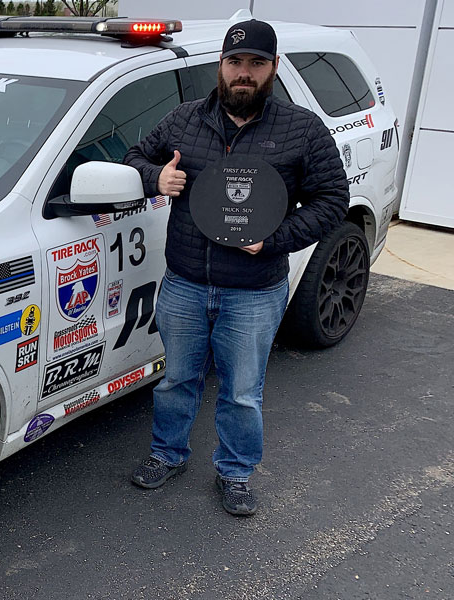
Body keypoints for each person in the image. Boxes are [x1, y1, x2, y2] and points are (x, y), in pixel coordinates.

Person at [122, 19, 349, 515]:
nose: (243, 73)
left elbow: (332, 199)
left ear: (272, 69)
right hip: (184, 283)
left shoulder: (302, 130)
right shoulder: (183, 119)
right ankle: (167, 453)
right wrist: (155, 176)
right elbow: (135, 155)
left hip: (254, 289)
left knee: (243, 392)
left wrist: (275, 240)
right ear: (220, 66)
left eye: (256, 63)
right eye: (235, 62)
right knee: (177, 379)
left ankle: (236, 471)